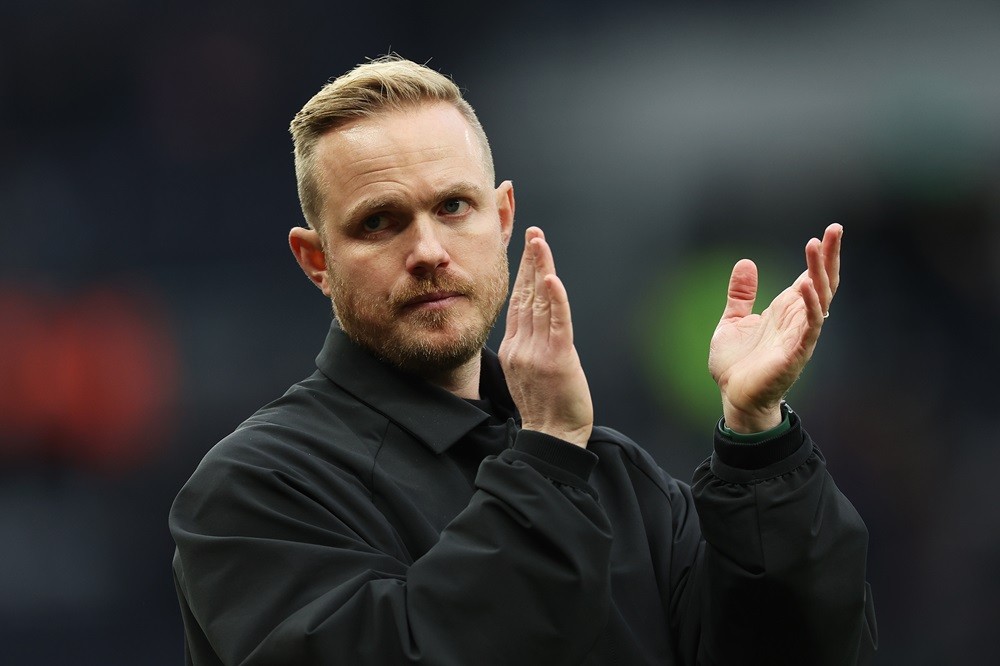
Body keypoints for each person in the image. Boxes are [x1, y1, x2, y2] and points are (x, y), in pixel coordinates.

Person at [169, 55, 877, 665]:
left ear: (502, 218)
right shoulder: (254, 491)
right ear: (317, 261)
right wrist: (544, 459)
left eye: (453, 206)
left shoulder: (619, 481)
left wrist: (758, 443)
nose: (427, 251)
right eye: (379, 222)